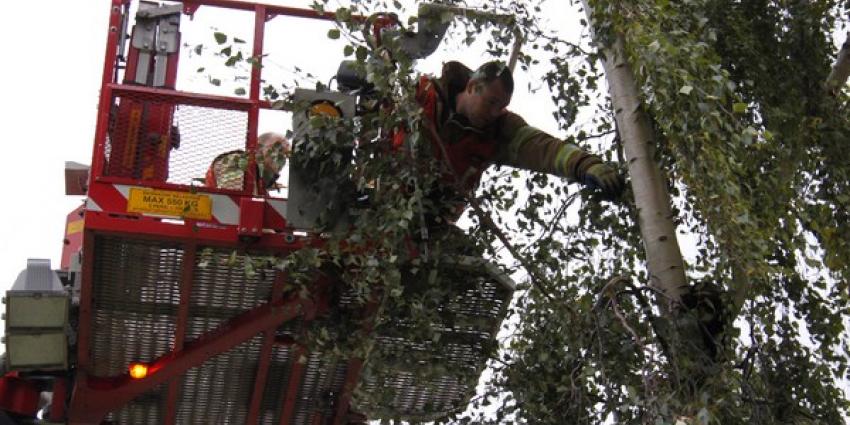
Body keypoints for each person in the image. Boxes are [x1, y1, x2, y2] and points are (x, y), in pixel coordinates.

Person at [410, 60, 625, 222]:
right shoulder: (423, 97)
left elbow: (543, 149)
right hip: (389, 207)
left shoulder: (499, 130)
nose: (494, 112)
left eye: (501, 106)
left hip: (435, 226)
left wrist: (587, 165)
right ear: (472, 87)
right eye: (491, 102)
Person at [205, 132, 290, 195]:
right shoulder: (235, 161)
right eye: (277, 148)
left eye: (286, 154)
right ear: (258, 148)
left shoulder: (260, 182)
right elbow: (234, 199)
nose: (281, 157)